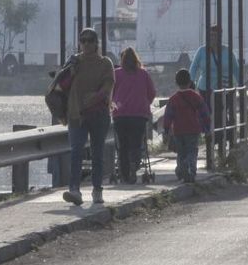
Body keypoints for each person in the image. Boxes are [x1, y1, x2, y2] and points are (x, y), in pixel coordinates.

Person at [62, 28, 114, 206]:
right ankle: (74, 189)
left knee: (97, 153)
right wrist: (71, 70)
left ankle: (97, 190)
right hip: (76, 114)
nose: (86, 44)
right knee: (76, 151)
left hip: (98, 114)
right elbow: (63, 85)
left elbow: (107, 87)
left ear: (96, 43)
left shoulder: (105, 63)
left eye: (90, 40)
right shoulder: (74, 61)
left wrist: (93, 99)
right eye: (83, 40)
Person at [189, 25, 240, 150]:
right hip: (205, 89)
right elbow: (193, 68)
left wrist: (240, 85)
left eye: (215, 35)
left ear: (220, 37)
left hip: (224, 89)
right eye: (211, 35)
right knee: (208, 115)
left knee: (220, 114)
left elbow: (236, 70)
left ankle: (222, 138)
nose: (212, 38)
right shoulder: (201, 51)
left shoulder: (228, 52)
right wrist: (190, 85)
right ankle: (212, 140)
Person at [111, 47, 156, 184]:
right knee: (136, 144)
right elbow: (152, 92)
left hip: (120, 115)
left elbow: (109, 92)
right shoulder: (143, 74)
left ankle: (125, 174)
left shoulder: (116, 74)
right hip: (139, 115)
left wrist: (114, 104)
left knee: (122, 145)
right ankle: (134, 165)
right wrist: (144, 103)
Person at [163, 69, 210, 183]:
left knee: (181, 152)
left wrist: (166, 129)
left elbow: (168, 116)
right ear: (190, 82)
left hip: (178, 130)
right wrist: (207, 127)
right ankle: (190, 171)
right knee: (192, 151)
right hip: (193, 129)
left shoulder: (173, 99)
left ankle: (180, 171)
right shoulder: (196, 96)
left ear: (176, 83)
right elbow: (204, 112)